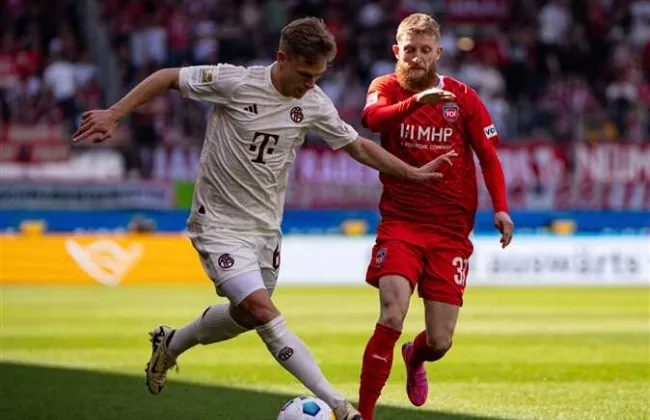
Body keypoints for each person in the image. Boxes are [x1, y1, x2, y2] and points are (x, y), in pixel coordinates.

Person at [72, 17, 455, 420]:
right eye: (304, 75)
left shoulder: (313, 103)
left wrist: (411, 173)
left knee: (244, 316)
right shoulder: (236, 83)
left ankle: (171, 344)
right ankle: (342, 407)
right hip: (218, 225)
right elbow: (168, 76)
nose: (310, 84)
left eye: (318, 76)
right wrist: (114, 113)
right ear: (282, 58)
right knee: (263, 312)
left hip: (265, 231)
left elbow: (357, 146)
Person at [356, 13, 515, 420]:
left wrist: (500, 207)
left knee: (440, 342)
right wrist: (416, 102)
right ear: (397, 51)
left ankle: (415, 355)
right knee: (392, 312)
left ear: (438, 53)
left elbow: (488, 157)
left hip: (449, 231)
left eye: (425, 50)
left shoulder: (463, 97)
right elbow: (371, 120)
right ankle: (365, 414)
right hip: (401, 224)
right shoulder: (384, 88)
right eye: (409, 50)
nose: (416, 57)